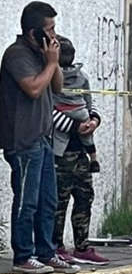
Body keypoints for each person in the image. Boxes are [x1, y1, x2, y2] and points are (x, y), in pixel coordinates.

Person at [0, 1, 79, 274]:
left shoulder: (42, 55)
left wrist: (52, 62)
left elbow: (57, 86)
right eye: (50, 30)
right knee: (27, 200)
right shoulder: (16, 55)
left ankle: (46, 252)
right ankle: (23, 255)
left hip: (43, 139)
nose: (54, 35)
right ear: (34, 33)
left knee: (48, 200)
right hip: (23, 141)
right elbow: (33, 88)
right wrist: (51, 62)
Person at [51, 36, 108, 265]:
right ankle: (56, 246)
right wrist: (77, 126)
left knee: (84, 197)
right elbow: (49, 113)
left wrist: (94, 120)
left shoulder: (81, 78)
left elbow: (89, 103)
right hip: (60, 152)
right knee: (59, 202)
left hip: (81, 153)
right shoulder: (50, 79)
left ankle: (82, 246)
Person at [52, 36, 100, 172]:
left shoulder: (50, 77)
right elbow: (89, 100)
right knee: (88, 137)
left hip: (63, 117)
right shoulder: (82, 76)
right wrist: (90, 120)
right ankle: (94, 159)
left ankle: (57, 158)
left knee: (59, 139)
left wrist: (95, 120)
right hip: (82, 113)